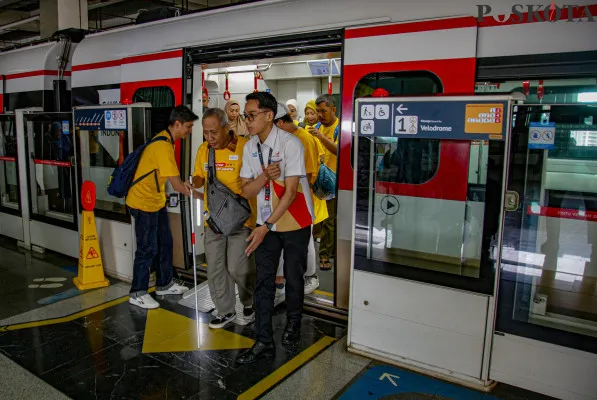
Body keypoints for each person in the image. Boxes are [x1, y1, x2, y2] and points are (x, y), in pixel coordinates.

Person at [236, 92, 314, 364]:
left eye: (251, 115)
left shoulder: (291, 143)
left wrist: (265, 226)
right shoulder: (249, 148)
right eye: (245, 116)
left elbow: (291, 192)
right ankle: (263, 339)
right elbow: (247, 191)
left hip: (294, 219)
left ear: (269, 116)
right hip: (265, 221)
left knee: (294, 277)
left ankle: (293, 324)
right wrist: (263, 177)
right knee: (263, 281)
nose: (246, 121)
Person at [126, 105, 197, 309]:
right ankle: (137, 292)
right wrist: (202, 195)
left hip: (156, 201)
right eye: (188, 127)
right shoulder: (163, 146)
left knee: (165, 242)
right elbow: (177, 184)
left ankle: (164, 284)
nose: (189, 131)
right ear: (177, 124)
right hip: (143, 203)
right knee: (147, 248)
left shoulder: (166, 141)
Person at [192, 108, 257, 329]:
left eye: (214, 133)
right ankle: (225, 310)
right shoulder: (204, 150)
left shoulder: (245, 147)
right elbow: (200, 175)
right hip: (214, 221)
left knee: (238, 267)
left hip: (241, 220)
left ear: (226, 128)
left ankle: (249, 301)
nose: (209, 138)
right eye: (205, 133)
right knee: (216, 268)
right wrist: (194, 183)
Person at [273, 102, 326, 298]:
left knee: (304, 241)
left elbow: (311, 175)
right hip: (286, 199)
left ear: (279, 123)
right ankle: (284, 278)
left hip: (302, 200)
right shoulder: (286, 139)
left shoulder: (304, 139)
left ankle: (309, 276)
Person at [308, 94, 338, 271]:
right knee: (316, 220)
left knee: (329, 220)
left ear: (333, 109)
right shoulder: (315, 127)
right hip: (315, 181)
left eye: (323, 111)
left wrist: (319, 136)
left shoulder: (340, 127)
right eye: (317, 111)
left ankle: (325, 254)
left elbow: (339, 150)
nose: (319, 115)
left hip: (332, 183)